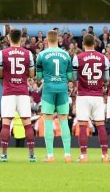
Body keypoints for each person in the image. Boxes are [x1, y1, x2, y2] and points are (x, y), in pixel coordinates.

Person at [0, 28, 36, 162]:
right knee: (27, 124)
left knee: (6, 123)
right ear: (21, 39)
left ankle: (3, 155)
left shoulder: (2, 53)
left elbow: (0, 74)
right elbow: (31, 74)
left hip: (8, 92)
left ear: (9, 38)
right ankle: (31, 155)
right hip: (23, 92)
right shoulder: (28, 54)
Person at [35, 29, 74, 163]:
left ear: (47, 39)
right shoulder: (66, 55)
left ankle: (50, 155)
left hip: (49, 90)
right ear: (58, 39)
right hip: (62, 89)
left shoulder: (42, 55)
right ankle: (67, 154)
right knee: (64, 121)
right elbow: (70, 77)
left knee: (48, 120)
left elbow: (39, 77)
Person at [72, 33, 110, 163]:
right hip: (97, 95)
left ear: (83, 43)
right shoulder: (103, 58)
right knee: (100, 125)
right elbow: (106, 78)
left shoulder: (78, 58)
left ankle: (83, 155)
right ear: (95, 43)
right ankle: (105, 155)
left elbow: (73, 77)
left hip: (83, 95)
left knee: (82, 125)